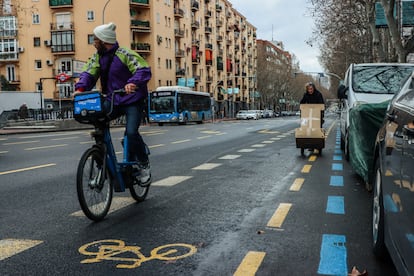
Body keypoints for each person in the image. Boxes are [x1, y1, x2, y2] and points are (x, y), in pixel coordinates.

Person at [74, 22, 152, 185]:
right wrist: (80, 88)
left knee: (131, 133)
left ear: (104, 41)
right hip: (113, 100)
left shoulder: (125, 54)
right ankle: (102, 165)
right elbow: (89, 73)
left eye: (95, 40)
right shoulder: (97, 57)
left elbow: (143, 70)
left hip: (133, 100)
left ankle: (143, 164)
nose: (93, 43)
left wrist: (132, 83)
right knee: (98, 124)